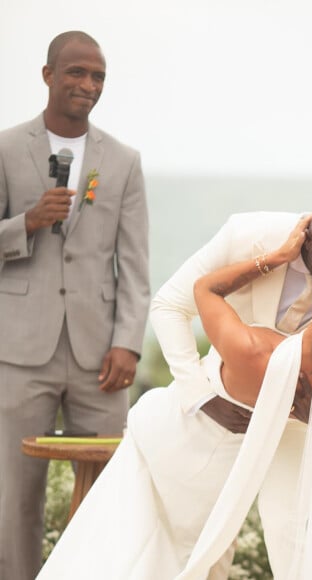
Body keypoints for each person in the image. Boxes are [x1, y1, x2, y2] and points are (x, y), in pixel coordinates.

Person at [38, 218, 312, 579]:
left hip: (176, 441)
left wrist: (277, 258)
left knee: (129, 542)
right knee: (185, 550)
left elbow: (204, 289)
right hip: (220, 451)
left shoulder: (255, 353)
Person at [149, 194, 312, 576]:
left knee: (291, 532)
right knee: (200, 537)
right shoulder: (246, 235)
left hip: (298, 424)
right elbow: (169, 305)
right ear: (307, 240)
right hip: (227, 409)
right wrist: (199, 395)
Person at [0, 31, 150, 580]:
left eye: (98, 77)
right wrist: (27, 223)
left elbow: (135, 265)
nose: (88, 85)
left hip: (102, 361)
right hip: (19, 353)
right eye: (77, 73)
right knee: (13, 501)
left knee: (114, 491)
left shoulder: (125, 161)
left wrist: (128, 342)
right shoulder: (6, 148)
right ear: (48, 76)